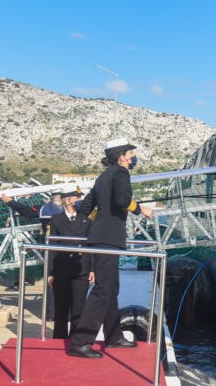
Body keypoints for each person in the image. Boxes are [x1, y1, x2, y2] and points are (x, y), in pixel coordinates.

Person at [68, 138, 152, 359]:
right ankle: (80, 342)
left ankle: (114, 337)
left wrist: (96, 222)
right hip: (108, 238)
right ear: (121, 156)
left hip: (101, 237)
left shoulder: (103, 176)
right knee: (103, 290)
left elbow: (86, 207)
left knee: (110, 288)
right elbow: (123, 199)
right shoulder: (121, 173)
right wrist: (141, 209)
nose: (133, 158)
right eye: (130, 154)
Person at [46, 186, 93, 339]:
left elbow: (90, 246)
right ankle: (59, 340)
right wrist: (50, 272)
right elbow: (52, 248)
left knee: (79, 308)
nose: (79, 200)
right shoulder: (56, 220)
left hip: (81, 268)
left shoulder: (86, 220)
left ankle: (76, 340)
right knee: (61, 308)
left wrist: (92, 269)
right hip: (62, 269)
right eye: (76, 197)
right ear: (67, 200)